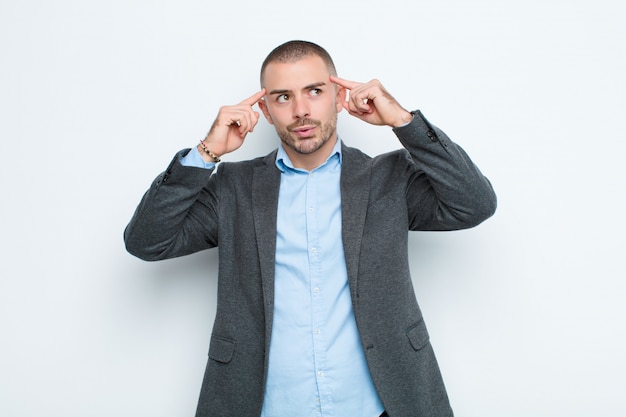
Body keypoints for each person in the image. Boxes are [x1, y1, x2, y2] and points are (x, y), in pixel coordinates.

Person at [124, 40, 496, 417]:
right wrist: (206, 153)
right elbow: (146, 241)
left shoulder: (389, 179)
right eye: (283, 97)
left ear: (338, 97)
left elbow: (475, 203)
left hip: (382, 405)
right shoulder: (233, 188)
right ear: (266, 111)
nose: (301, 110)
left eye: (314, 91)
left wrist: (404, 121)